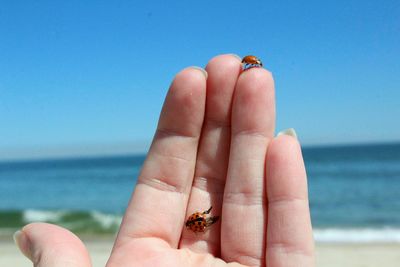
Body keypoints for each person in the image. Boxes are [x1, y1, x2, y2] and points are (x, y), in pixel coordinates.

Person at [13, 54, 315, 267]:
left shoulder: (200, 220)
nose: (199, 220)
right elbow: (204, 219)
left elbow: (204, 218)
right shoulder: (200, 220)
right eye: (199, 220)